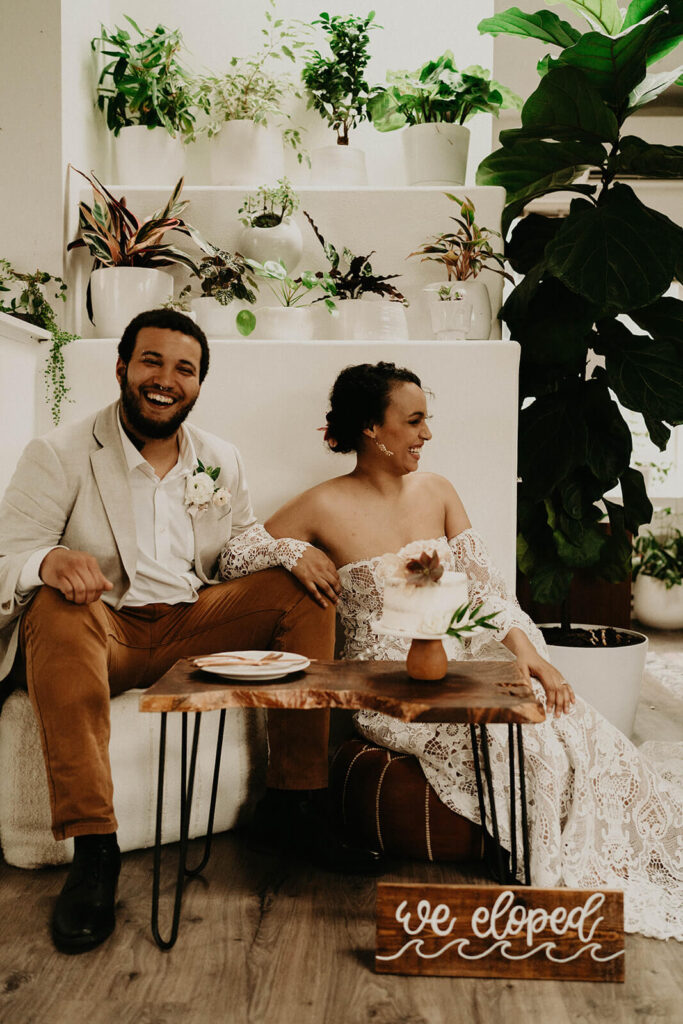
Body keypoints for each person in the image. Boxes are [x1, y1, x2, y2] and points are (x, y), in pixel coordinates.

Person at [220, 361, 683, 941]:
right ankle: (541, 870)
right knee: (513, 738)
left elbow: (487, 589)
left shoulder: (437, 491)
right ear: (371, 428)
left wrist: (529, 655)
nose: (426, 435)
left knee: (558, 722)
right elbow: (232, 555)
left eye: (426, 420)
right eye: (413, 422)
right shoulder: (321, 506)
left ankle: (606, 848)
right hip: (392, 683)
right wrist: (291, 554)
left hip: (467, 653)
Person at [0, 309, 378, 956]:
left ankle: (293, 806)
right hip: (104, 630)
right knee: (55, 606)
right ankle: (94, 849)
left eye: (184, 369)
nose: (165, 379)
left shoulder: (218, 459)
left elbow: (234, 549)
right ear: (121, 367)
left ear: (198, 384)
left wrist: (287, 552)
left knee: (303, 588)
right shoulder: (59, 454)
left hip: (189, 625)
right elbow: (7, 555)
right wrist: (47, 561)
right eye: (151, 361)